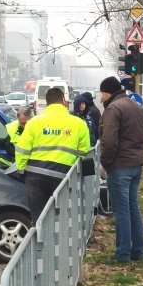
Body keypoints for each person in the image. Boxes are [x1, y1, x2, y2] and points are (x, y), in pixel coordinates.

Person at [15, 87, 91, 224]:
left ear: (47, 102)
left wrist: (21, 170)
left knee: (39, 219)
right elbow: (83, 152)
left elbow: (21, 149)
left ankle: (40, 243)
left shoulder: (34, 122)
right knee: (62, 217)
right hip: (64, 176)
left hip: (35, 175)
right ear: (63, 101)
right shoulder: (79, 124)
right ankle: (60, 244)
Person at [98, 76, 143, 264]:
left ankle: (122, 255)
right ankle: (138, 251)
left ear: (107, 92)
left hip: (119, 167)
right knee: (133, 208)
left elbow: (109, 141)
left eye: (102, 93)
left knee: (122, 211)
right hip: (136, 165)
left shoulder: (114, 108)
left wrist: (106, 162)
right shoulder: (137, 107)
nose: (101, 97)